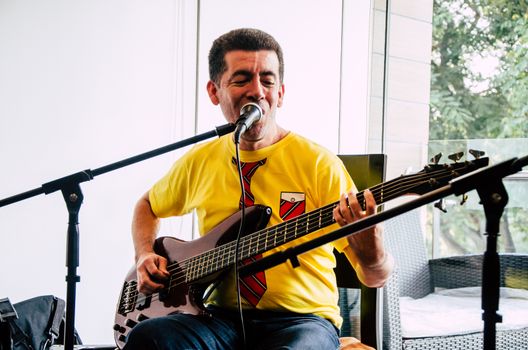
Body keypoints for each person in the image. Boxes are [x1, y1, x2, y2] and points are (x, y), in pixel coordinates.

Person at [123, 28, 394, 350]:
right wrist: (145, 254)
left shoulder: (319, 164)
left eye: (267, 80)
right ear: (214, 91)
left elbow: (375, 277)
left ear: (280, 93)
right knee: (148, 338)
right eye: (241, 80)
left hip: (302, 321)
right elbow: (147, 205)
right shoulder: (200, 160)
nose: (257, 91)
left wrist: (371, 248)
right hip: (219, 319)